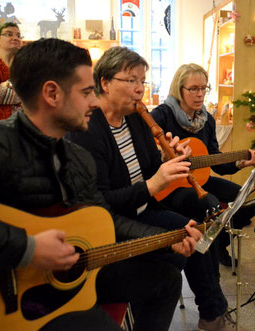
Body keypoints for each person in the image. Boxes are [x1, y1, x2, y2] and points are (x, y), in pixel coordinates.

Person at [0, 38, 200, 331]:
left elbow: (101, 216)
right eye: (86, 92)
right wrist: (28, 247)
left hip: (64, 279)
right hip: (4, 299)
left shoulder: (77, 157)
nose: (95, 102)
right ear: (51, 94)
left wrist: (166, 237)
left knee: (166, 279)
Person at [67, 47, 236, 331]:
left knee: (196, 231)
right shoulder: (88, 129)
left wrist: (169, 155)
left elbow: (146, 169)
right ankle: (152, 303)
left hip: (145, 209)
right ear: (105, 83)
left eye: (143, 82)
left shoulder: (136, 118)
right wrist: (156, 181)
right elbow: (104, 203)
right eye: (131, 80)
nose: (139, 90)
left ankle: (211, 311)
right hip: (114, 222)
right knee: (169, 265)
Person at [151, 63, 255, 267]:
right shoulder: (162, 115)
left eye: (204, 88)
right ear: (179, 89)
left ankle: (220, 243)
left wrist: (241, 163)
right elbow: (147, 152)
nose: (200, 94)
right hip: (170, 186)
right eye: (193, 89)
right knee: (210, 203)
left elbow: (215, 161)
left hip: (199, 181)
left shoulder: (206, 120)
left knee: (249, 198)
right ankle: (205, 258)